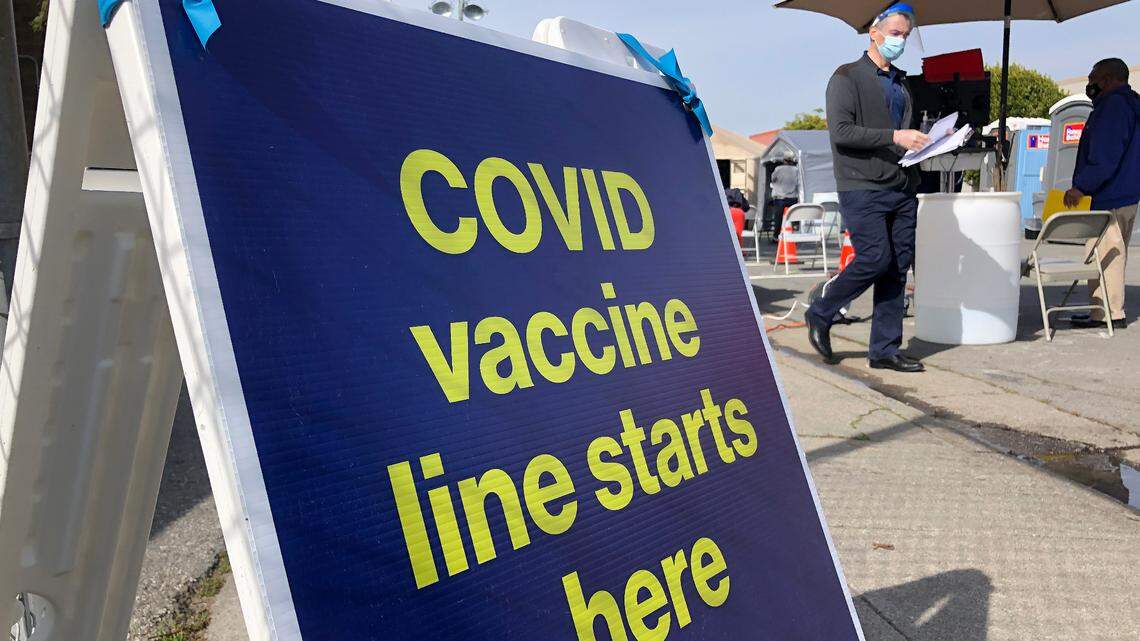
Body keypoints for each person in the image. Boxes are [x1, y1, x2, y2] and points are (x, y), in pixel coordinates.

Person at [804, 2, 929, 373]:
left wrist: (928, 140)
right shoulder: (846, 78)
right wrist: (895, 135)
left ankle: (885, 350)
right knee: (876, 258)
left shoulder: (902, 83)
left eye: (905, 36)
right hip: (862, 186)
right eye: (894, 33)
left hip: (902, 185)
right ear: (873, 33)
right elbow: (841, 133)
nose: (900, 41)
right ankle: (822, 309)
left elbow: (904, 135)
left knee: (897, 268)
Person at [1063, 58, 1140, 329]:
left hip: (1109, 195)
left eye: (1093, 77)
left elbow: (1105, 156)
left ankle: (1109, 313)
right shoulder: (1132, 103)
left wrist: (1081, 186)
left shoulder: (1114, 106)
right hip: (1127, 193)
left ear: (1107, 79)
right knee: (1111, 252)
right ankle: (1102, 310)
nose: (1090, 83)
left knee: (1106, 253)